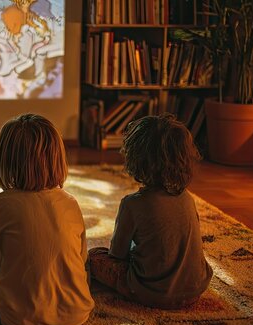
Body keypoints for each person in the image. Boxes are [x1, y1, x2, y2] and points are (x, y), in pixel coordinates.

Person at [0, 113, 94, 325]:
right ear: (57, 157)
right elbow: (82, 258)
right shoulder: (70, 202)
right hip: (77, 315)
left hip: (18, 321)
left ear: (5, 160)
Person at [89, 113, 213, 309]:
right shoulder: (187, 198)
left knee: (94, 255)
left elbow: (117, 254)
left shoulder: (132, 204)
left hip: (152, 293)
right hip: (196, 289)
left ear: (135, 159)